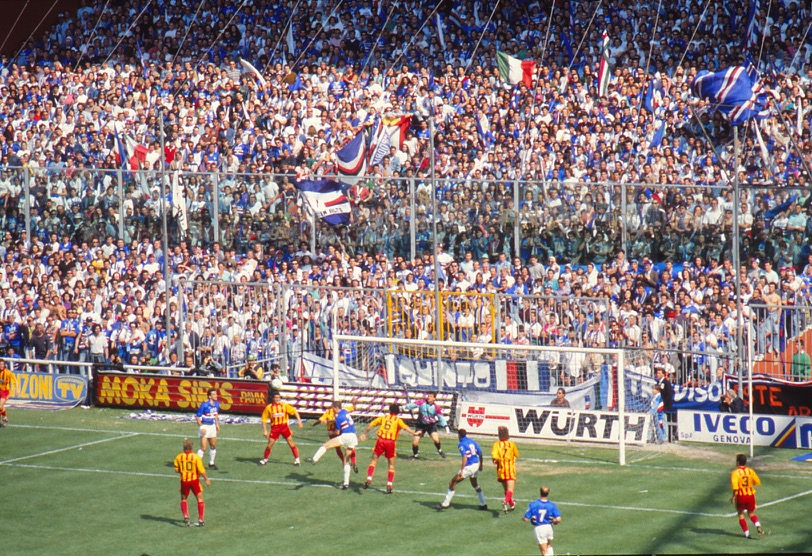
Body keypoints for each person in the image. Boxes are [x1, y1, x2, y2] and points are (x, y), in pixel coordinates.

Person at [359, 403, 420, 494]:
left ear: (389, 410)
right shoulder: (398, 420)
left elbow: (370, 425)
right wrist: (414, 433)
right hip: (390, 443)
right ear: (398, 412)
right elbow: (406, 428)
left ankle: (369, 478)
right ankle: (389, 485)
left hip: (380, 441)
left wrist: (364, 433)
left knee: (374, 460)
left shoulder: (383, 418)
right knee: (391, 465)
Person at [308, 401, 359, 489]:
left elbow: (337, 432)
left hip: (345, 436)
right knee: (346, 460)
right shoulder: (345, 411)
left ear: (335, 407)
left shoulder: (338, 417)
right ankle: (346, 484)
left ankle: (314, 459)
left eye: (333, 408)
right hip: (353, 437)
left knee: (326, 445)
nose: (333, 410)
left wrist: (332, 433)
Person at [437, 428, 488, 510]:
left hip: (469, 467)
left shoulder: (461, 444)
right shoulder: (472, 441)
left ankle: (445, 504)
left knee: (452, 482)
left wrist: (462, 470)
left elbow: (464, 457)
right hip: (476, 465)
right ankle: (483, 504)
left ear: (459, 435)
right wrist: (481, 465)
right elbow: (480, 453)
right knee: (475, 484)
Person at [173, 438, 211, 527]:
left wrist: (184, 471)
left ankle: (186, 515)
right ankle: (201, 519)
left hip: (184, 481)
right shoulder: (195, 457)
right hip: (194, 481)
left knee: (183, 499)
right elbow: (201, 470)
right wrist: (206, 479)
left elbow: (176, 469)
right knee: (200, 499)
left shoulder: (179, 457)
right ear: (192, 447)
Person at [259, 392, 303, 466]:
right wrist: (265, 430)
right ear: (273, 398)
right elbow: (264, 419)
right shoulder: (269, 407)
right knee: (270, 444)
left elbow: (295, 411)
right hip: (275, 428)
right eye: (276, 397)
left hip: (284, 427)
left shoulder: (284, 405)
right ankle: (265, 459)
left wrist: (299, 421)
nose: (277, 399)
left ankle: (297, 460)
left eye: (278, 397)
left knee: (290, 442)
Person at [311, 399, 357, 467]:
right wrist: (314, 424)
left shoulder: (341, 412)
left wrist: (328, 421)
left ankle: (353, 462)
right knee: (339, 447)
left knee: (347, 446)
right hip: (334, 430)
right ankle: (344, 461)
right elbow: (320, 420)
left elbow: (338, 419)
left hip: (339, 430)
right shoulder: (329, 412)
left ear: (335, 407)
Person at [404, 391, 449, 459]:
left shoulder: (436, 408)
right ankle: (415, 455)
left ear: (434, 398)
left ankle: (439, 450)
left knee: (436, 440)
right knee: (415, 442)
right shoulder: (421, 402)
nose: (429, 397)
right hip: (420, 425)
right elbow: (413, 404)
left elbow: (441, 418)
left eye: (431, 396)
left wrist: (445, 426)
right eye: (428, 396)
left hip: (431, 426)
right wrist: (405, 407)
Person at [730, 453, 764, 539]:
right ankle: (757, 525)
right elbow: (757, 482)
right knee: (751, 513)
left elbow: (735, 487)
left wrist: (733, 496)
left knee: (740, 514)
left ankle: (747, 533)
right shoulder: (750, 471)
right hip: (750, 495)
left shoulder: (735, 473)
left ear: (737, 462)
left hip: (741, 496)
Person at [523, 485, 562, 556]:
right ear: (548, 493)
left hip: (539, 528)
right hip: (549, 527)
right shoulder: (551, 505)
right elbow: (559, 519)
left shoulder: (533, 504)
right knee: (548, 547)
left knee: (544, 552)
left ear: (540, 492)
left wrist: (530, 518)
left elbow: (525, 519)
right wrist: (554, 521)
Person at [491, 426, 519, 512]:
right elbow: (517, 454)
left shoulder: (496, 445)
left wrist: (497, 460)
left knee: (506, 490)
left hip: (501, 470)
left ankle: (512, 504)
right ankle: (505, 501)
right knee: (510, 490)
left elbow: (494, 458)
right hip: (510, 469)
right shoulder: (512, 444)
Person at [195, 388, 220, 469]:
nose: (216, 396)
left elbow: (216, 415)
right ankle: (196, 464)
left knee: (213, 445)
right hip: (205, 425)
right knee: (203, 447)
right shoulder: (204, 405)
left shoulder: (217, 404)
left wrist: (217, 424)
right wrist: (201, 427)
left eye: (216, 394)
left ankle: (211, 463)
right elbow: (198, 417)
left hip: (212, 426)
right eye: (214, 394)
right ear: (209, 396)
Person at [0, 359, 17, 427]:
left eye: (2, 364)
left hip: (5, 392)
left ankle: (4, 417)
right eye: (0, 364)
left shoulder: (7, 372)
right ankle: (5, 416)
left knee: (0, 406)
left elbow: (15, 380)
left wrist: (17, 389)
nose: (1, 366)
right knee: (1, 408)